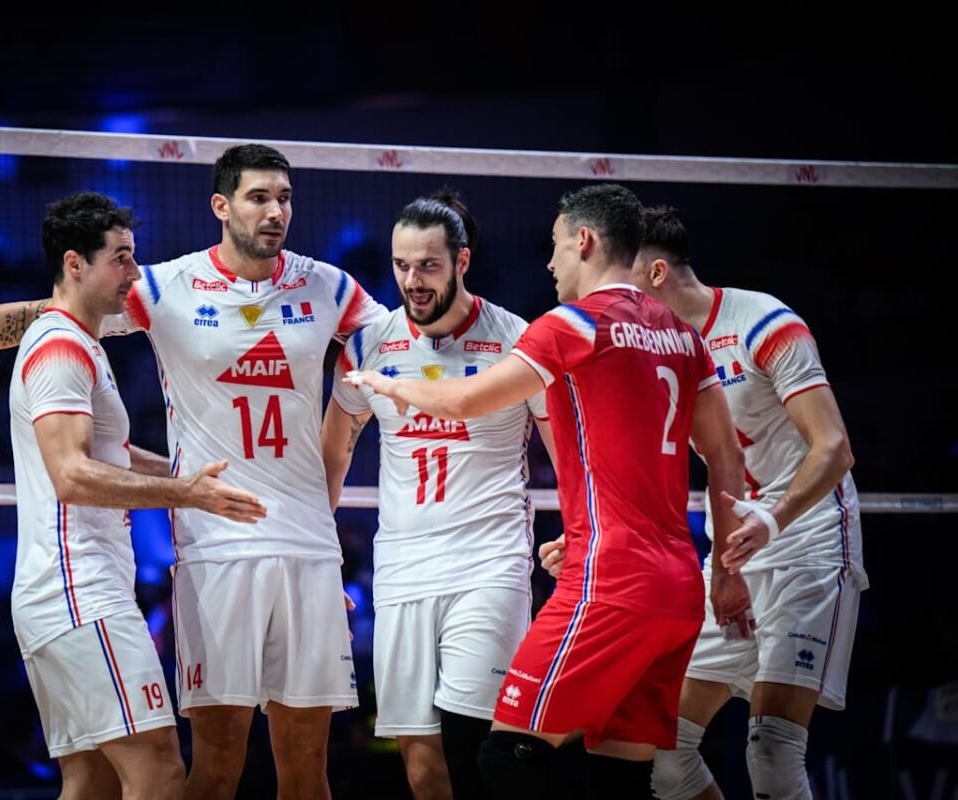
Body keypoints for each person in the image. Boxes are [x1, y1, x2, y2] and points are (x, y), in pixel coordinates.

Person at [0, 145, 387, 799]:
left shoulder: (329, 285)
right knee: (194, 765)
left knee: (279, 765)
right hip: (184, 558)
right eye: (259, 196)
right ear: (222, 205)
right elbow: (41, 316)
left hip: (294, 547)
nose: (275, 210)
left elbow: (399, 342)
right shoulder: (143, 299)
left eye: (284, 197)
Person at [346, 183, 771, 800]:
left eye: (555, 246)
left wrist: (386, 385)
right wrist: (727, 570)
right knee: (621, 778)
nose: (549, 263)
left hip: (608, 580)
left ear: (585, 241)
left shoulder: (568, 324)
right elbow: (727, 458)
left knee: (506, 756)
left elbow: (465, 400)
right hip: (680, 583)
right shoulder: (684, 336)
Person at [2, 191, 265, 799]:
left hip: (64, 597)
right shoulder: (61, 347)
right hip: (79, 593)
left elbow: (107, 457)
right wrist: (185, 494)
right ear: (75, 264)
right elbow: (71, 474)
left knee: (90, 781)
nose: (133, 274)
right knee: (160, 769)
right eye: (120, 259)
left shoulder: (77, 342)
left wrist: (197, 475)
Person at [321, 190, 557, 800]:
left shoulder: (517, 340)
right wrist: (322, 553)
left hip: (490, 563)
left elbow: (567, 457)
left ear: (462, 262)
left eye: (428, 265)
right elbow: (336, 448)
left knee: (479, 743)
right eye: (402, 265)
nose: (412, 280)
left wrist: (580, 535)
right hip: (402, 567)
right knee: (421, 763)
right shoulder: (371, 343)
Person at [630, 205, 866, 800]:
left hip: (807, 541)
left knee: (771, 751)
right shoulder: (656, 352)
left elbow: (834, 447)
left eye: (619, 274)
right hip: (736, 553)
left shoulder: (763, 322)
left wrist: (771, 518)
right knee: (663, 751)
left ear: (656, 273)